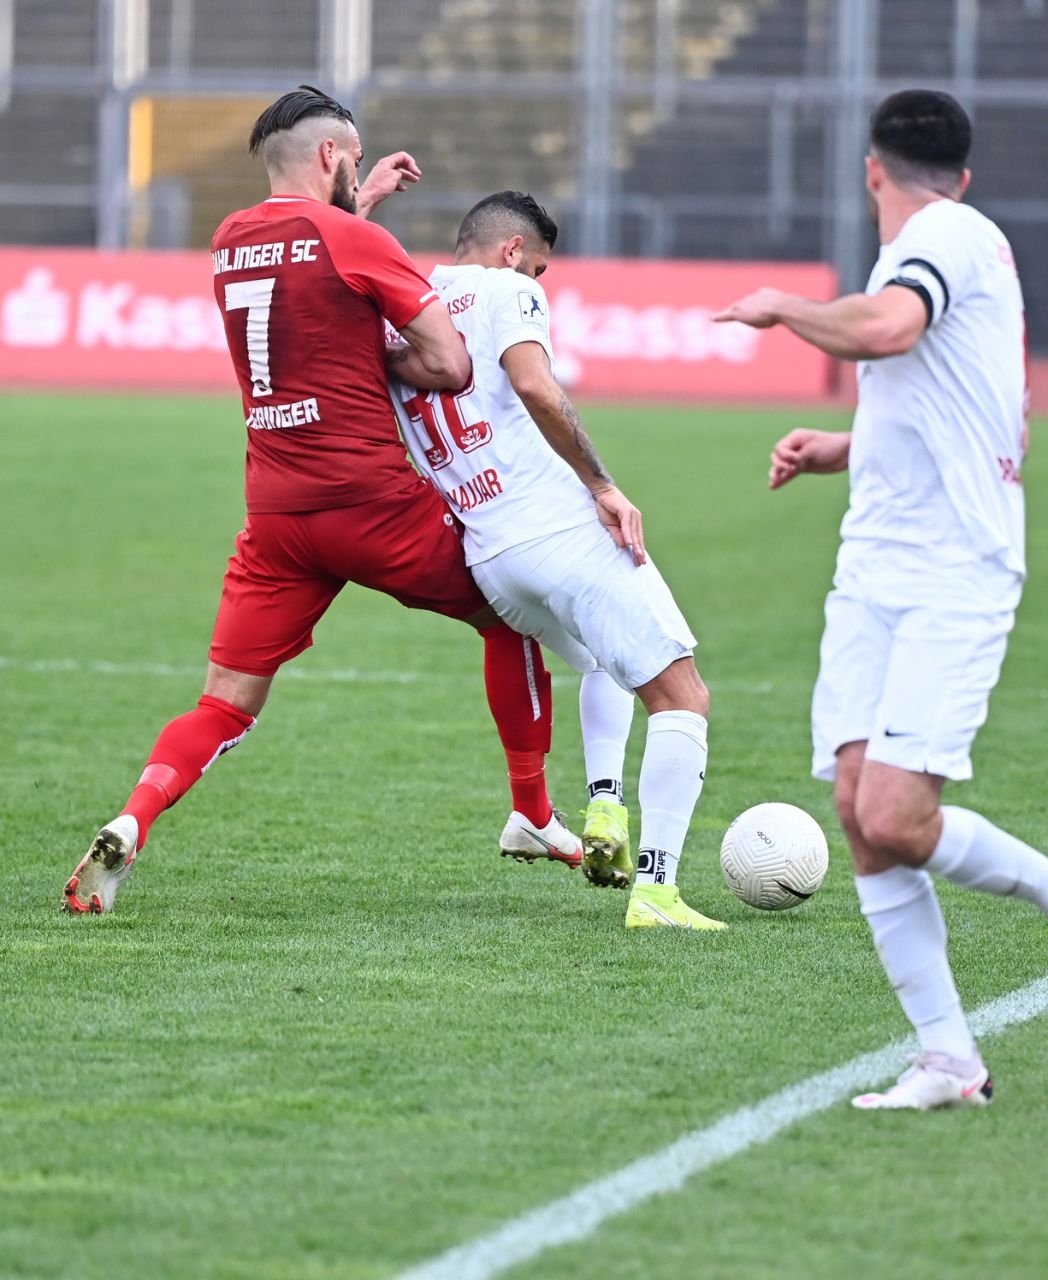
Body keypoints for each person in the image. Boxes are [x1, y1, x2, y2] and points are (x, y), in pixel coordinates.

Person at [64, 87, 577, 915]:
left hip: (277, 515)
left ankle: (134, 818)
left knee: (223, 702)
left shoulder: (229, 239)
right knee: (510, 615)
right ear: (332, 157)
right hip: (374, 506)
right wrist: (367, 236)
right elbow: (448, 363)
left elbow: (310, 277)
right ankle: (533, 810)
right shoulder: (354, 238)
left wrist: (361, 211)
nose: (361, 174)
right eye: (358, 160)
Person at [714, 89, 1048, 1110]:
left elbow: (889, 331)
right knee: (860, 811)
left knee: (899, 810)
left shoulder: (942, 236)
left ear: (872, 170)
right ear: (964, 166)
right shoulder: (957, 236)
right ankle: (950, 1056)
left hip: (954, 566)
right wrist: (842, 450)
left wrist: (782, 308)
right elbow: (948, 395)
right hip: (876, 563)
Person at [388, 191, 723, 930]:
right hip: (559, 535)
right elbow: (535, 385)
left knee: (603, 660)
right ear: (512, 252)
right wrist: (601, 483)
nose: (538, 281)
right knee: (683, 697)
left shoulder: (403, 309)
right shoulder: (509, 289)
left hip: (490, 556)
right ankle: (658, 893)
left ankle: (606, 803)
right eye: (538, 267)